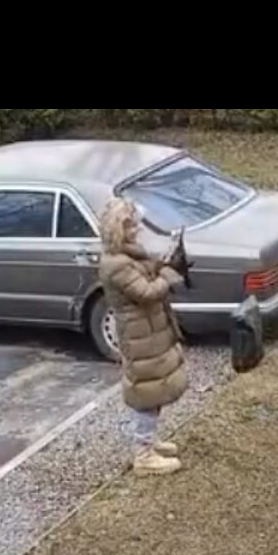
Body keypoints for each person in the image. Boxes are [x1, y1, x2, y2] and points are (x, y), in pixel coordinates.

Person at [99, 198, 189, 477]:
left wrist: (163, 263)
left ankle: (149, 441)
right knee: (146, 391)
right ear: (120, 229)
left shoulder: (128, 255)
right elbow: (146, 293)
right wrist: (171, 274)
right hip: (139, 334)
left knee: (156, 386)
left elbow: (147, 279)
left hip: (148, 329)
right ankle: (143, 455)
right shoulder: (117, 264)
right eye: (132, 225)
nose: (138, 229)